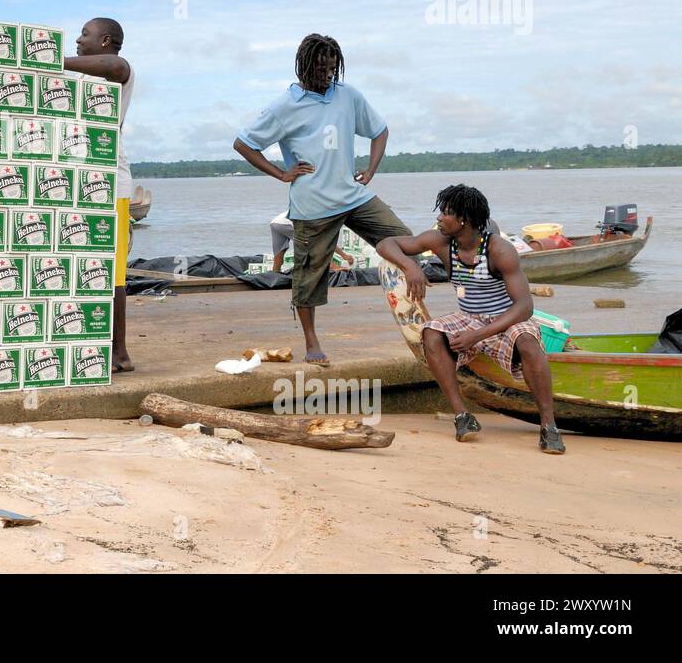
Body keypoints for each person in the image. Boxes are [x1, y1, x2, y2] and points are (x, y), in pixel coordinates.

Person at [233, 34, 409, 366]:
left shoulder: (348, 95)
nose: (328, 75)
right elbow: (243, 143)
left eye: (332, 69)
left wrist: (370, 171)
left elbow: (379, 131)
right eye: (322, 69)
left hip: (353, 195)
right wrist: (280, 172)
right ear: (305, 65)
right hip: (311, 204)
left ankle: (416, 310)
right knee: (308, 276)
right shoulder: (284, 106)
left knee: (403, 239)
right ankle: (312, 341)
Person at [376, 184, 565, 454]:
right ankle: (462, 416)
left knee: (527, 341)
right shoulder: (441, 242)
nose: (439, 217)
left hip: (506, 318)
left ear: (464, 220)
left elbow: (524, 307)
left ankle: (549, 426)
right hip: (469, 317)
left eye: (446, 213)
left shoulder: (499, 250)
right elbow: (386, 244)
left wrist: (478, 335)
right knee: (431, 333)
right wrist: (410, 266)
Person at [64, 17, 134, 373]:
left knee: (114, 271)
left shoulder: (118, 71)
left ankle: (119, 351)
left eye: (85, 35)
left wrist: (51, 61)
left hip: (113, 186)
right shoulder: (81, 79)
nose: (77, 40)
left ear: (106, 40)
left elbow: (117, 65)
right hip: (81, 184)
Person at [269, 211, 354, 274]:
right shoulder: (322, 217)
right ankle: (331, 266)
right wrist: (344, 255)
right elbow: (324, 241)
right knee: (314, 244)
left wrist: (344, 255)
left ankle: (275, 275)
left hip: (275, 222)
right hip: (287, 223)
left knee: (279, 253)